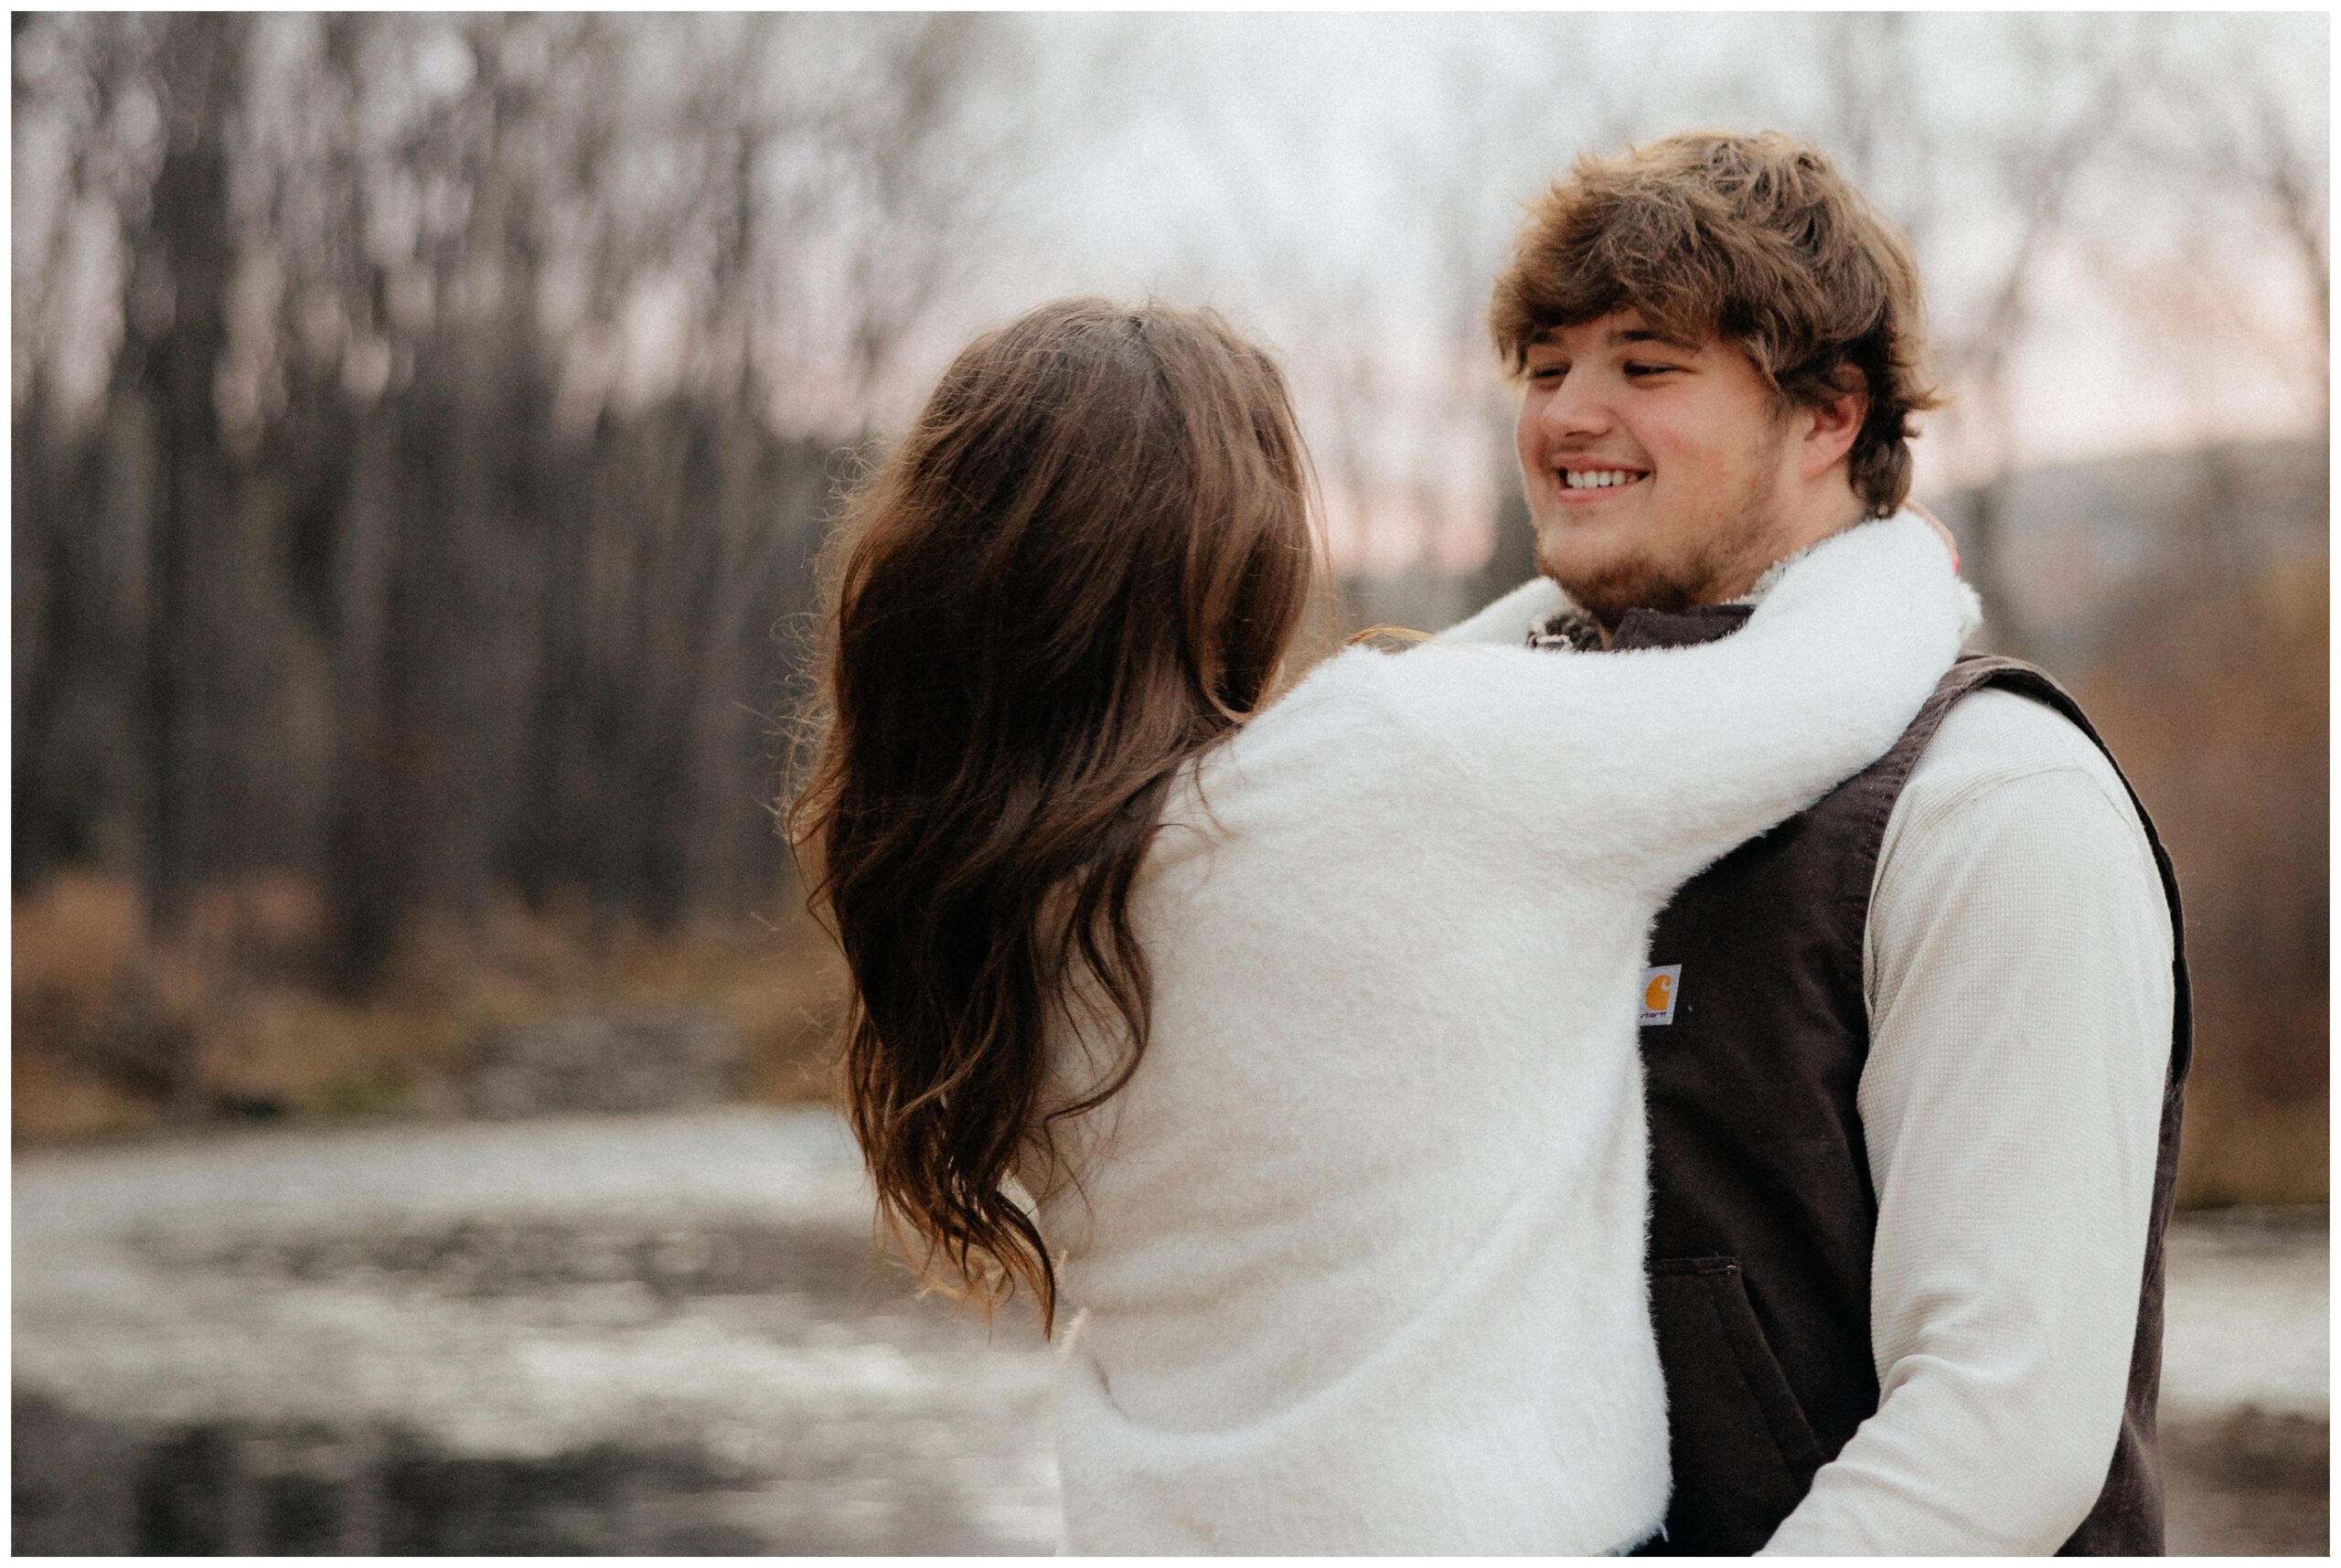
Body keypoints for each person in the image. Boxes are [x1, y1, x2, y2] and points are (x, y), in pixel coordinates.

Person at [792, 295, 1971, 1552]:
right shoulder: (1396, 776)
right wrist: (1897, 555)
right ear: (1236, 560)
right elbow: (1818, 694)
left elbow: (1418, 727)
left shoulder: (989, 893)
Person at [1483, 130, 2188, 1555]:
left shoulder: (1991, 800)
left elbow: (2002, 1425)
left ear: (1827, 412)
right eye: (1548, 365)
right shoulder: (1520, 777)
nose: (1571, 413)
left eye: (1647, 363)